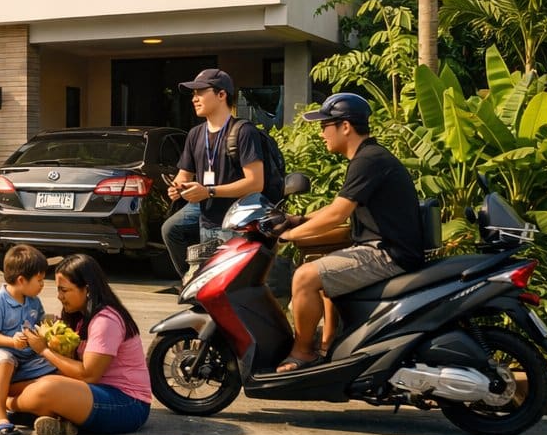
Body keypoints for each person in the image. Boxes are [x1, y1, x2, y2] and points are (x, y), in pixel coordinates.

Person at [277, 92, 424, 372]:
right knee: (321, 269)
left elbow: (337, 214)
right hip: (382, 249)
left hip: (389, 253)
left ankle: (302, 353)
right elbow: (339, 204)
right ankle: (328, 347)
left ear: (345, 126)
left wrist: (289, 236)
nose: (321, 134)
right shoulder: (369, 157)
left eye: (324, 126)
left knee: (304, 277)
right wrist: (298, 219)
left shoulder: (368, 160)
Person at [13, 254, 153, 435]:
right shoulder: (79, 316)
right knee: (28, 382)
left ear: (86, 289)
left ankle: (6, 407)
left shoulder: (106, 320)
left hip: (128, 404)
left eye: (64, 290)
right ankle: (62, 424)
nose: (59, 296)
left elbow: (89, 375)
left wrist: (44, 350)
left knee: (47, 388)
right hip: (93, 393)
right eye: (58, 290)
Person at [161, 67, 266, 279]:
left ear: (221, 95)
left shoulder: (244, 131)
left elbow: (256, 183)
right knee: (171, 229)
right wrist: (177, 188)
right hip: (204, 211)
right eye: (193, 94)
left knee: (228, 281)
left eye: (200, 92)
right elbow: (184, 175)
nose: (194, 99)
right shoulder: (195, 134)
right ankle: (190, 278)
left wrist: (209, 191)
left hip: (236, 217)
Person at [0, 244, 54, 435]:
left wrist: (49, 324)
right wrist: (11, 341)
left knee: (54, 364)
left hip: (26, 355)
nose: (43, 285)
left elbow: (39, 322)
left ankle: (5, 397)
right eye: (39, 280)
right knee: (5, 360)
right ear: (21, 280)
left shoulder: (33, 300)